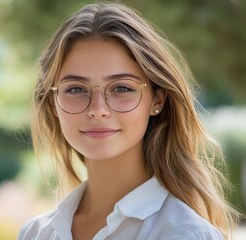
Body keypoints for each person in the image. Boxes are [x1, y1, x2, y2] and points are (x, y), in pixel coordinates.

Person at [18, 2, 239, 240]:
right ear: (52, 103)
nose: (98, 110)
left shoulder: (185, 234)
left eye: (121, 88)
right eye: (75, 89)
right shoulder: (35, 233)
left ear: (157, 100)